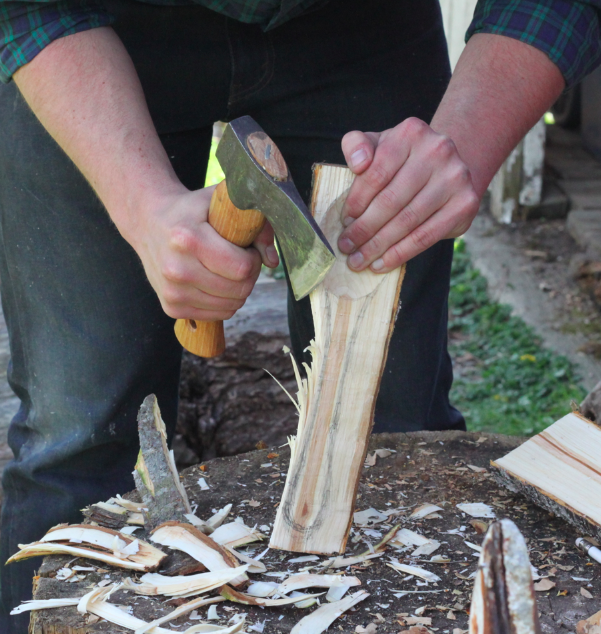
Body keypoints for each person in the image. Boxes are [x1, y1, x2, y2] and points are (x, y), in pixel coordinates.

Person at [0, 0, 597, 628]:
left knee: (394, 439)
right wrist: (141, 205)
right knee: (80, 437)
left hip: (362, 29)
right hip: (92, 28)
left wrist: (467, 144)